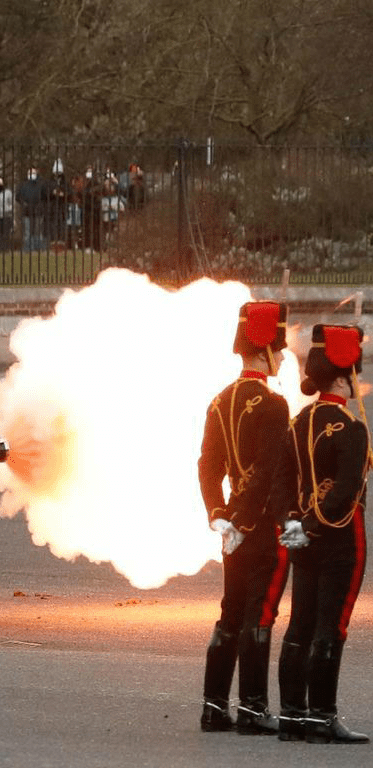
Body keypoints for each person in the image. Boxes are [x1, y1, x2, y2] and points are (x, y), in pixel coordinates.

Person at [273, 323, 371, 744]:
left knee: (299, 627)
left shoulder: (298, 422)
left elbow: (282, 484)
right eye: (354, 374)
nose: (358, 382)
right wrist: (312, 525)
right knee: (331, 627)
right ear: (341, 376)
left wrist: (292, 525)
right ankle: (321, 717)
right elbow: (347, 492)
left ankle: (293, 716)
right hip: (339, 539)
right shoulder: (352, 428)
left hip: (302, 538)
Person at [197, 300, 291, 734]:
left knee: (229, 614)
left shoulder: (220, 401)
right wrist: (246, 518)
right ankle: (253, 709)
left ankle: (214, 708)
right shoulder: (273, 404)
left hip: (231, 528)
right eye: (280, 348)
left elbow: (208, 467)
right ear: (267, 350)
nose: (284, 356)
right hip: (263, 525)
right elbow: (269, 472)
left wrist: (221, 516)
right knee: (260, 616)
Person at [15, 167, 45, 252]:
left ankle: (38, 248)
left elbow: (44, 196)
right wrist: (23, 203)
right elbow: (18, 196)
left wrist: (40, 204)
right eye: (31, 173)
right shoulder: (23, 185)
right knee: (28, 232)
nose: (32, 175)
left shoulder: (40, 184)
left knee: (37, 231)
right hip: (27, 211)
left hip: (38, 211)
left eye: (34, 173)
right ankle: (28, 248)